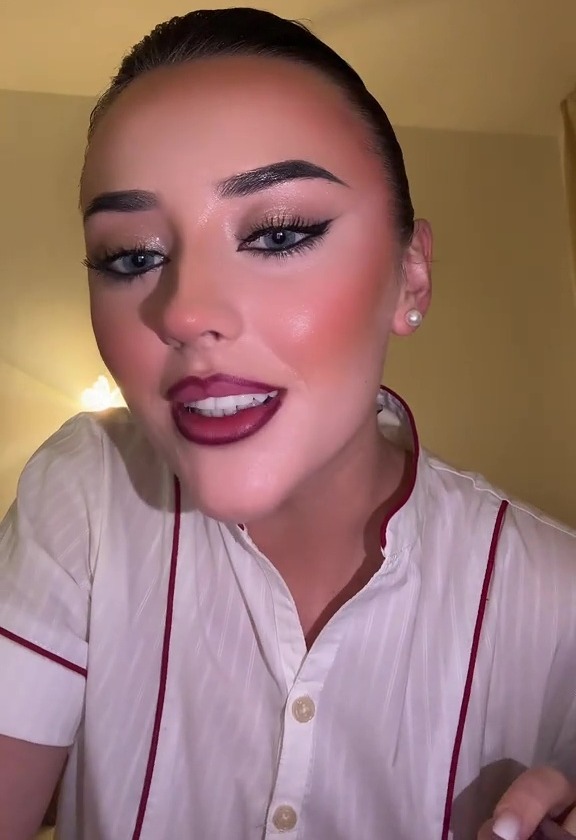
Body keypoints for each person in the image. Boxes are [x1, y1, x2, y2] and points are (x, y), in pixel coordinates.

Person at [0, 8, 575, 840]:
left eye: (277, 234)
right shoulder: (86, 492)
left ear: (410, 278)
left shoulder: (556, 603)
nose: (186, 311)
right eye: (132, 256)